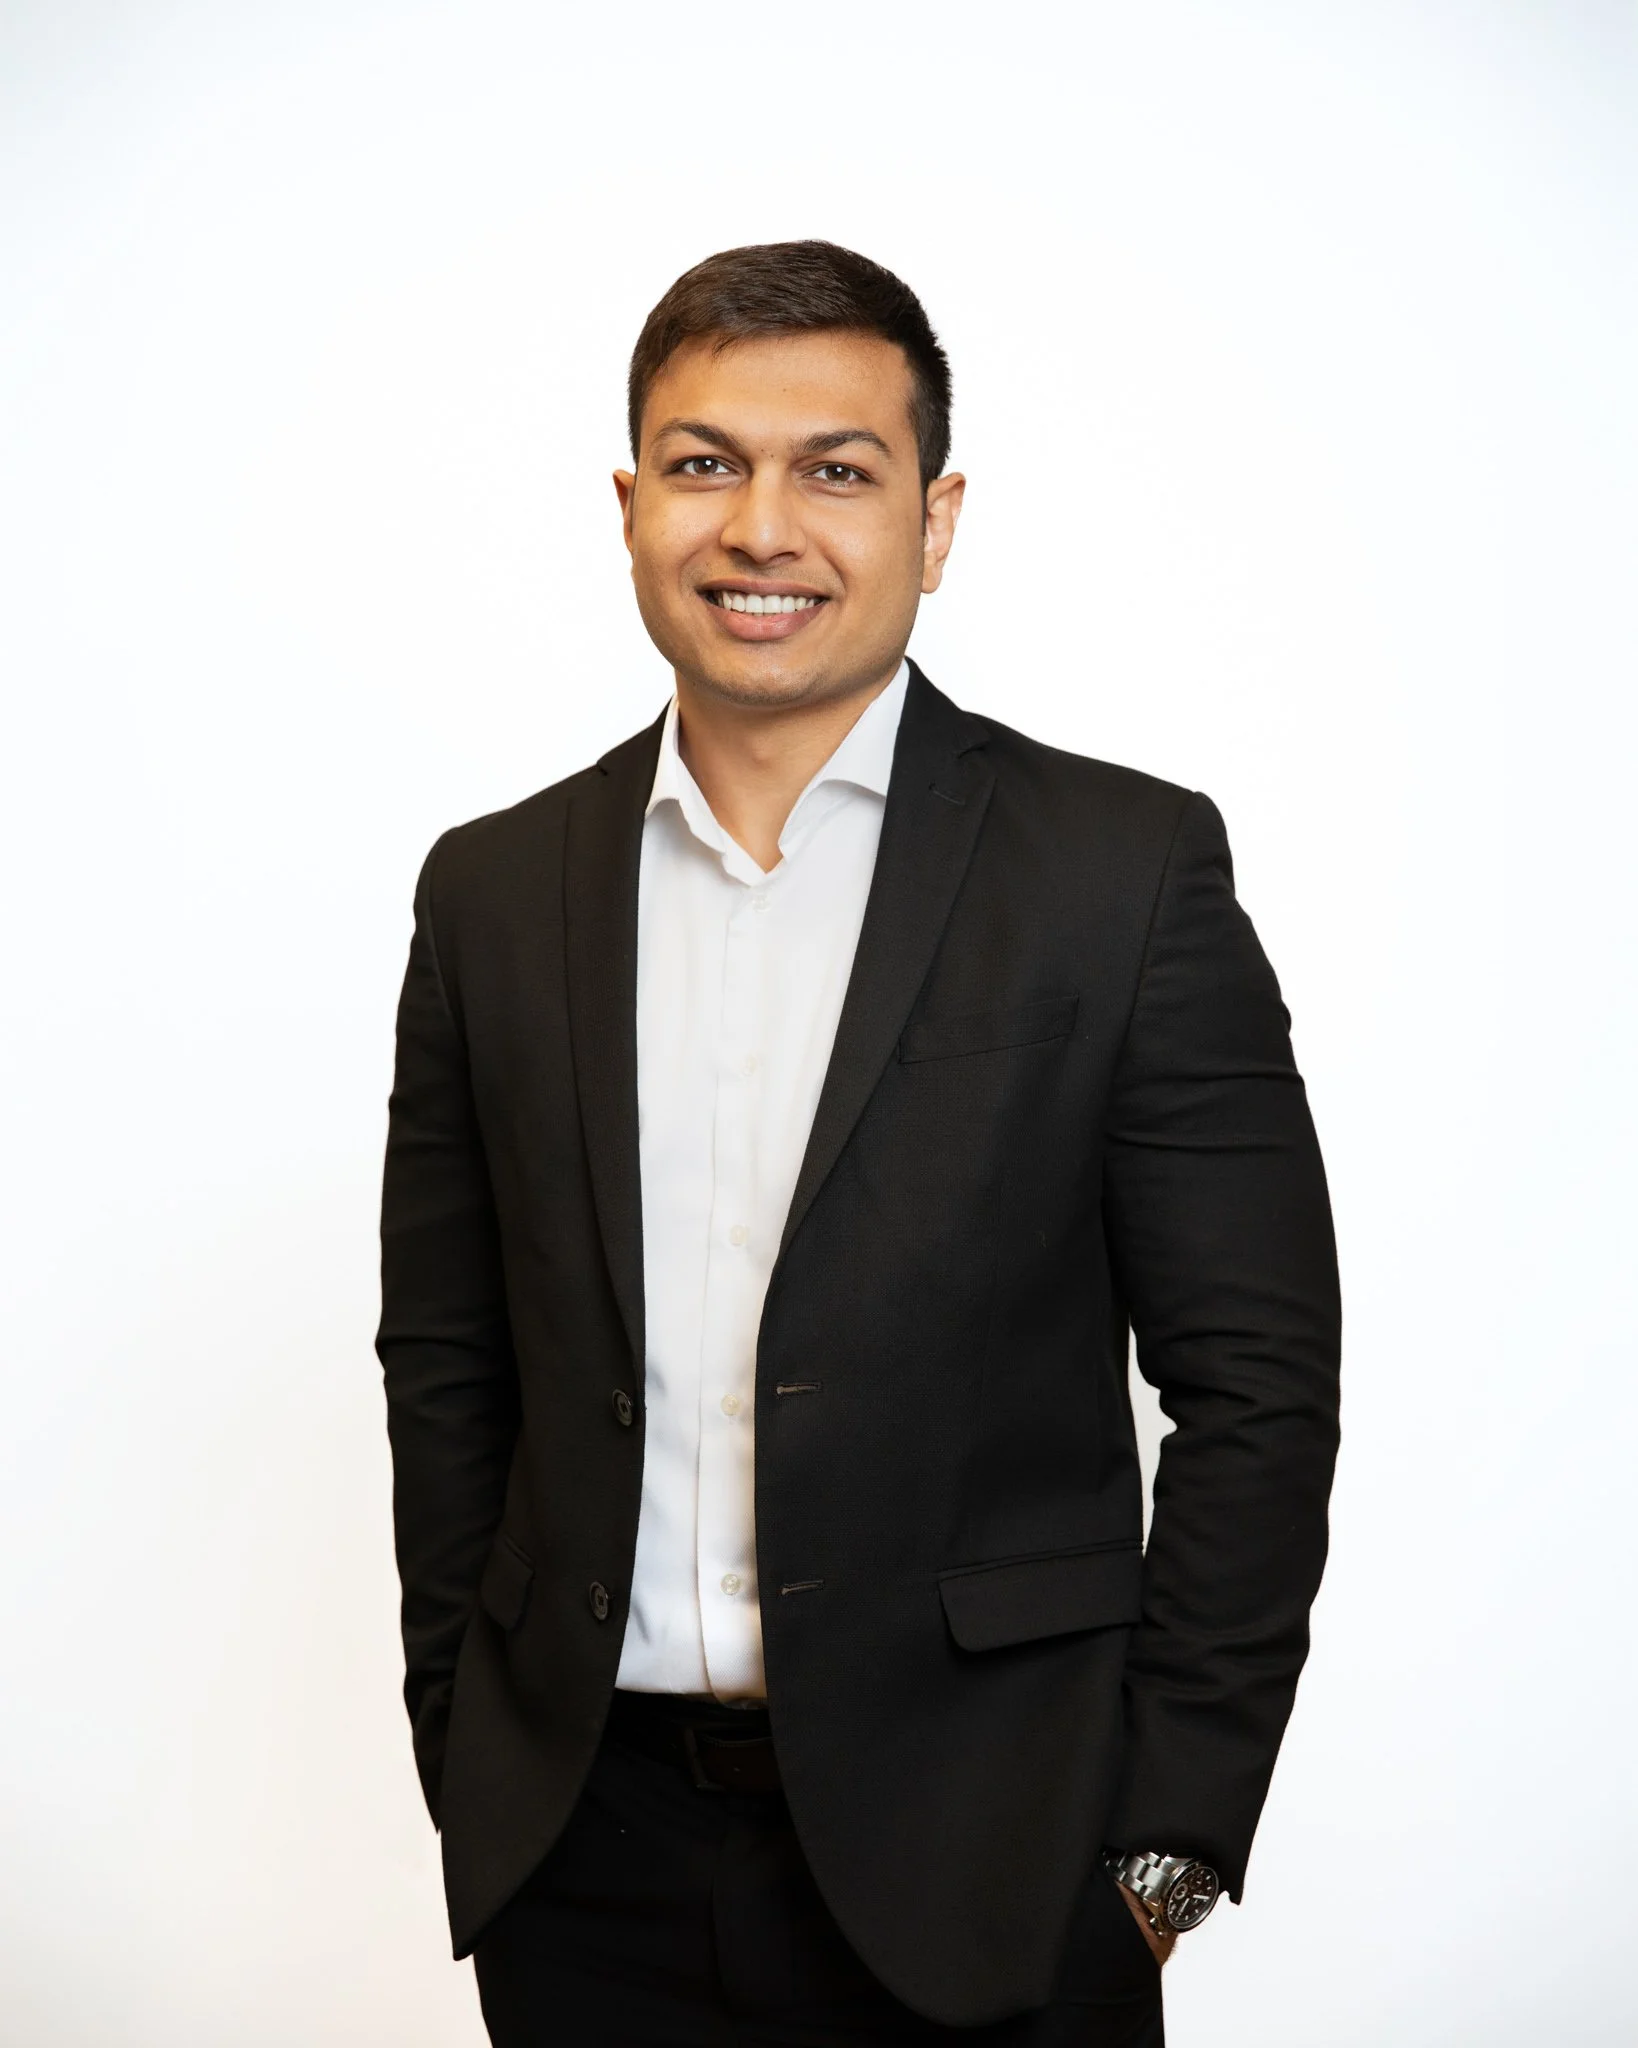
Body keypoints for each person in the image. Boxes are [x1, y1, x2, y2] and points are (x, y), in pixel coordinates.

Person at [375, 240, 1342, 2046]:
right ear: (628, 505)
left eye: (834, 469)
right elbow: (447, 1358)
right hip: (585, 1871)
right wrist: (472, 1753)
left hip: (999, 1865)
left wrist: (1159, 1860)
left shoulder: (1119, 875)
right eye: (703, 464)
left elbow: (1259, 1388)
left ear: (934, 518)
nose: (761, 528)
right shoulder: (491, 891)